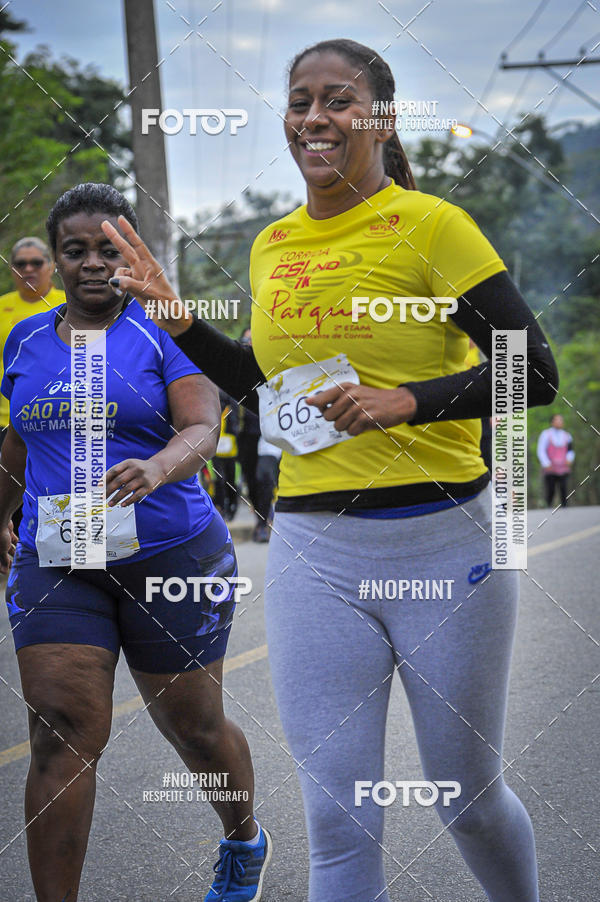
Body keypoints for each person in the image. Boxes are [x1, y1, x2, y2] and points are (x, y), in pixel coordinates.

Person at [101, 39, 559, 902]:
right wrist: (180, 323)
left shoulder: (433, 225)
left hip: (444, 546)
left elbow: (533, 370)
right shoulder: (272, 245)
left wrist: (408, 400)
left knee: (467, 800)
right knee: (338, 822)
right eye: (300, 100)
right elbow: (270, 391)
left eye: (338, 101)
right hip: (316, 552)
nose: (315, 118)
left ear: (381, 120)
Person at [0, 183, 271, 902]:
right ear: (54, 262)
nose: (93, 263)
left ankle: (243, 837)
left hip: (171, 553)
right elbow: (22, 437)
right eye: (75, 250)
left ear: (131, 253)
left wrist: (156, 467)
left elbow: (201, 426)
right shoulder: (24, 338)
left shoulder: (163, 327)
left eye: (108, 249)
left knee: (195, 727)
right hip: (60, 556)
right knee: (60, 732)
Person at [0, 237, 65, 531]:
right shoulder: (2, 307)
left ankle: (63, 568)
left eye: (36, 262)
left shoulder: (69, 302)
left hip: (54, 422)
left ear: (51, 266)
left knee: (49, 505)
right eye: (20, 264)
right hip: (5, 424)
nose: (28, 269)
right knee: (7, 504)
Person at [212, 388, 240, 520]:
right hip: (216, 450)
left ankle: (231, 506)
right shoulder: (213, 409)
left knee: (230, 479)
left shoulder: (231, 408)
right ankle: (222, 507)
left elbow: (237, 425)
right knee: (220, 479)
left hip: (231, 450)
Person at [537, 413, 574, 507]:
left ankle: (565, 507)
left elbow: (570, 450)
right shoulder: (546, 434)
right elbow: (541, 449)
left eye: (561, 420)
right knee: (550, 488)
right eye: (557, 420)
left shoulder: (567, 435)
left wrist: (569, 459)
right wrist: (546, 463)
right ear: (552, 422)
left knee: (564, 487)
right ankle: (548, 506)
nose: (559, 422)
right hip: (550, 467)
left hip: (563, 467)